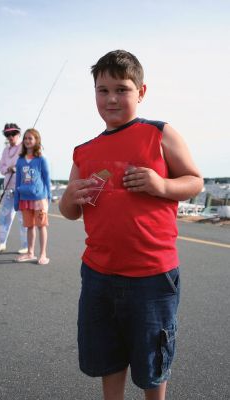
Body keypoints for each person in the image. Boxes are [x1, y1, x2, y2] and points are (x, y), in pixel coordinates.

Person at [59, 50, 203, 400]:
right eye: (102, 90)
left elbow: (195, 180)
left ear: (141, 91)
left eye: (121, 89)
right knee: (107, 356)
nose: (111, 98)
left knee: (153, 360)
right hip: (98, 273)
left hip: (152, 274)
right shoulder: (84, 150)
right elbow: (70, 212)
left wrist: (162, 186)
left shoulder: (160, 133)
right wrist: (70, 196)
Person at [14, 128, 51, 265]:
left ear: (36, 141)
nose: (27, 141)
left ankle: (43, 254)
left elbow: (47, 179)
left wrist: (49, 198)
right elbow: (17, 181)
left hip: (39, 199)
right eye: (25, 138)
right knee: (29, 226)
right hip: (25, 198)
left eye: (31, 138)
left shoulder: (41, 159)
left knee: (41, 226)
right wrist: (17, 199)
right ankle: (30, 252)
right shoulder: (20, 161)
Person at [0, 123, 28, 254]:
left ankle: (26, 246)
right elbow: (1, 167)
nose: (10, 136)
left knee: (22, 218)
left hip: (21, 188)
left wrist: (17, 168)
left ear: (18, 134)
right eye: (7, 134)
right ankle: (2, 243)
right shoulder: (5, 150)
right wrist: (7, 169)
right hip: (8, 189)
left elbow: (28, 163)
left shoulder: (24, 146)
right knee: (4, 217)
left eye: (13, 134)